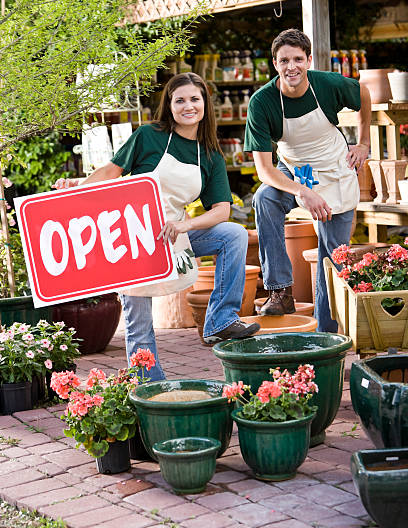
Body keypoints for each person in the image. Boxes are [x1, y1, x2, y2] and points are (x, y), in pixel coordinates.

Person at [54, 72, 259, 379]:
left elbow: (220, 212)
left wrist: (184, 224)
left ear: (205, 104)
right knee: (139, 320)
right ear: (169, 105)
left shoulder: (211, 155)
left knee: (233, 234)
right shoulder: (149, 135)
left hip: (172, 234)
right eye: (180, 100)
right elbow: (112, 172)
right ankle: (151, 389)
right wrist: (75, 188)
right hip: (132, 236)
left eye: (194, 99)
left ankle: (220, 318)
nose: (188, 106)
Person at [244, 29, 371, 333]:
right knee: (265, 197)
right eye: (284, 60)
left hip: (334, 168)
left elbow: (363, 93)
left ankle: (325, 333)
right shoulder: (262, 103)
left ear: (309, 60)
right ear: (274, 64)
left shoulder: (327, 84)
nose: (292, 67)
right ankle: (280, 291)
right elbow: (264, 170)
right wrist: (304, 191)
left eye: (298, 59)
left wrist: (364, 142)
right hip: (294, 168)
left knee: (333, 253)